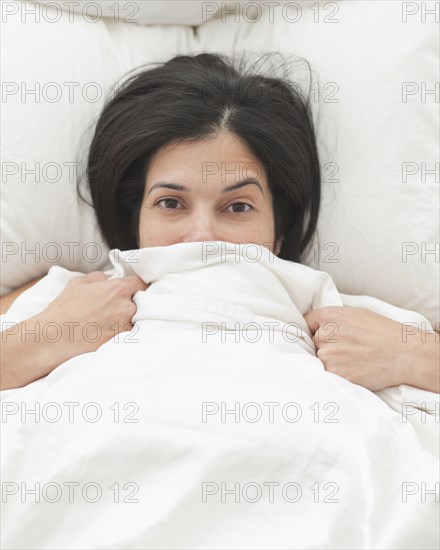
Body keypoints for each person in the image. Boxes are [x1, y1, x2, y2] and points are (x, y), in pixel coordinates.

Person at [1, 53, 438, 393]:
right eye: (171, 203)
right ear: (135, 220)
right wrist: (37, 342)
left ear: (278, 232)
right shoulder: (63, 300)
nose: (203, 236)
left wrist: (412, 356)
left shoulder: (345, 319)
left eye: (238, 207)